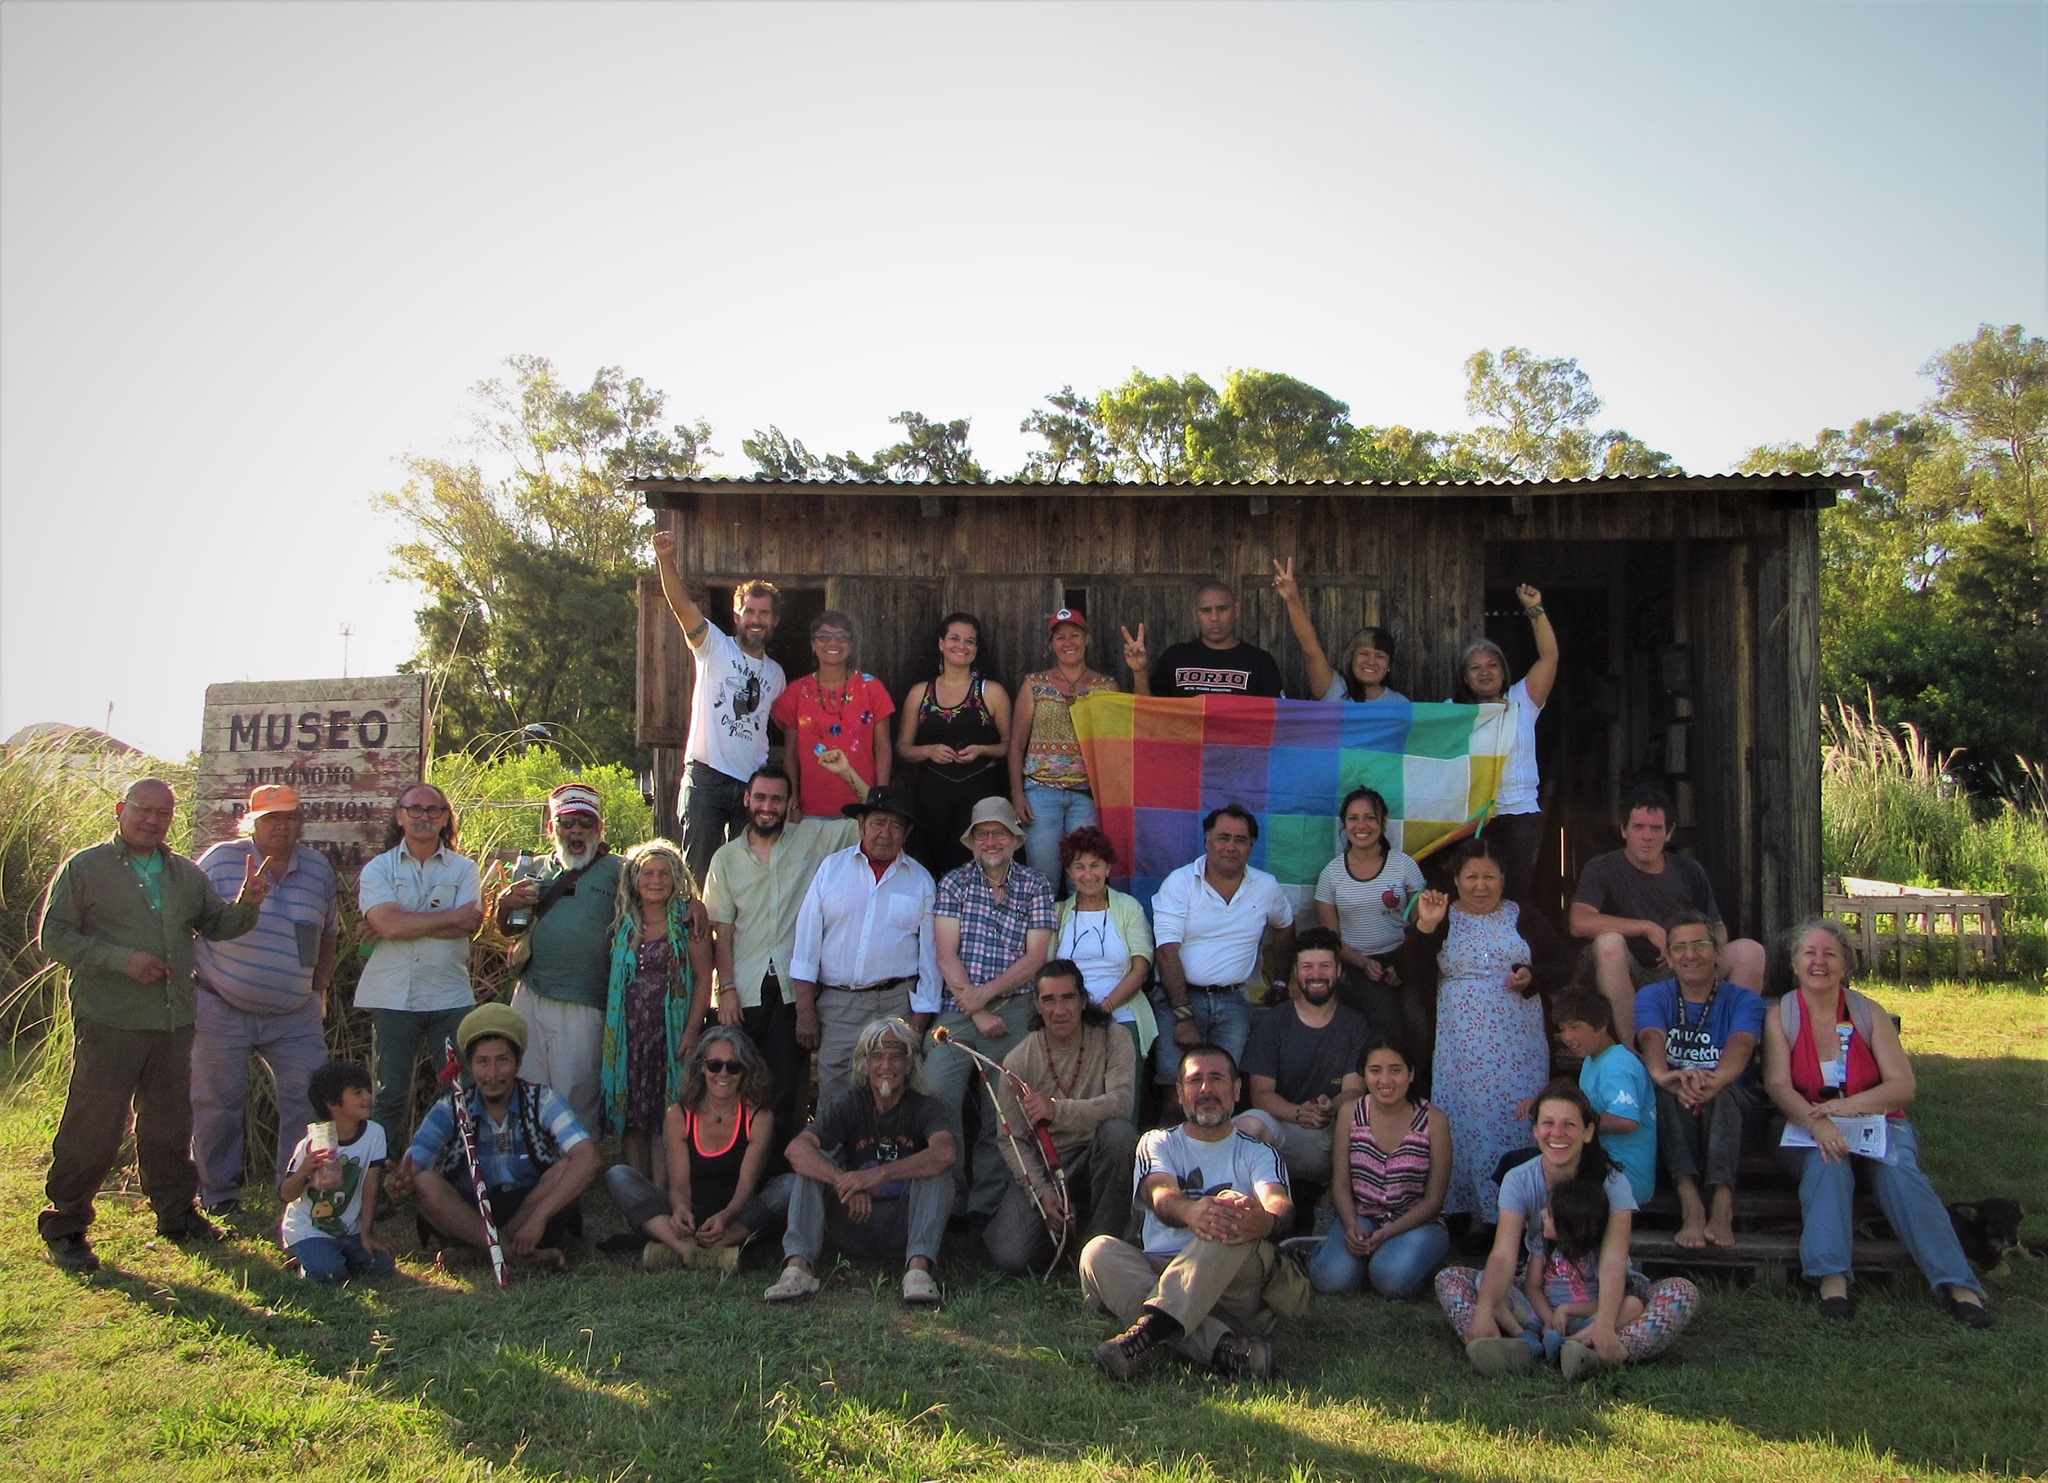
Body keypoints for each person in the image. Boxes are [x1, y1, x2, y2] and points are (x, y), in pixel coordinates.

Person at [37, 778, 269, 1269]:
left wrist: (248, 904)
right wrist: (123, 960)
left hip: (173, 1019)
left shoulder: (183, 873)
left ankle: (176, 1214)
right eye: (144, 810)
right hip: (110, 1019)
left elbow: (216, 925)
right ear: (122, 809)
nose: (153, 820)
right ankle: (67, 1223)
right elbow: (53, 937)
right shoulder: (86, 867)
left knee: (169, 1125)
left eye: (163, 813)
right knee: (94, 1125)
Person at [1762, 919, 1991, 1328]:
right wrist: (1820, 1125)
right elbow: (1778, 1086)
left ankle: (1959, 1284)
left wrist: (1850, 1108)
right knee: (1826, 1164)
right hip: (1805, 1124)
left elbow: (1902, 1086)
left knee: (1899, 1171)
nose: (1819, 962)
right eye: (1809, 954)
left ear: (1845, 964)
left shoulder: (1869, 1013)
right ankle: (1831, 1279)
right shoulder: (1782, 1015)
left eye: (1829, 954)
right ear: (1795, 964)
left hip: (1877, 1123)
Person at [1436, 1082, 1700, 1381]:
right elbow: (1503, 1254)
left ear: (1588, 1132)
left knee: (1681, 1293)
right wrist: (1484, 1308)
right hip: (1540, 1300)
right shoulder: (1519, 1179)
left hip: (1604, 1299)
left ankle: (1601, 1349)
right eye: (1548, 1123)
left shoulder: (1612, 1183)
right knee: (1454, 1279)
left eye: (1569, 1124)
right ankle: (1516, 1343)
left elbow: (1614, 1260)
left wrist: (1605, 1321)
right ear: (1535, 1130)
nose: (1557, 1133)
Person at [1079, 1045, 1295, 1380]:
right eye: (1195, 1081)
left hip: (1232, 1284)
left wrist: (1263, 1220)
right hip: (1164, 1270)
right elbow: (1160, 1194)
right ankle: (1226, 1351)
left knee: (1228, 1212)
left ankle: (1147, 1335)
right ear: (1180, 1094)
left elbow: (1278, 1202)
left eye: (1216, 1079)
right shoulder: (1157, 1142)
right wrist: (1191, 1211)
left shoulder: (1258, 1152)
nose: (1206, 1089)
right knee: (1096, 1252)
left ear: (1237, 1090)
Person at [189, 783, 340, 1216]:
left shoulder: (317, 869)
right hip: (220, 1004)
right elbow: (191, 923)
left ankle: (295, 1193)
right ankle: (218, 1195)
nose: (283, 826)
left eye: (291, 817)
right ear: (252, 822)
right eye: (272, 818)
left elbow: (327, 932)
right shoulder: (220, 861)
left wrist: (319, 988)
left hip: (294, 1014)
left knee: (309, 1101)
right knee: (218, 1103)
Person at [701, 758, 864, 1153]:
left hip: (794, 990)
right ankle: (735, 1170)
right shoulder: (726, 858)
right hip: (743, 990)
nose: (767, 806)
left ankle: (782, 1183)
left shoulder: (813, 839)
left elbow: (870, 822)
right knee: (736, 1085)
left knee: (786, 1091)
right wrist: (726, 990)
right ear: (746, 799)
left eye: (776, 799)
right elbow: (721, 930)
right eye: (760, 797)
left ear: (790, 803)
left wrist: (847, 774)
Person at [1401, 838, 1568, 1222]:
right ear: (1455, 880)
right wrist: (1425, 926)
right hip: (1461, 1045)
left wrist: (1533, 976)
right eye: (1471, 877)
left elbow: (1563, 965)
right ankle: (1470, 1216)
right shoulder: (1441, 916)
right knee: (1464, 1124)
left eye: (1489, 877)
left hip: (1518, 1043)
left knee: (1515, 1121)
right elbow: (1410, 972)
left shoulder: (1523, 915)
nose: (1481, 886)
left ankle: (1519, 1216)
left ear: (1503, 879)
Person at [386, 1003, 600, 1271]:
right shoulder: (452, 1107)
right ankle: (509, 1252)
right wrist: (400, 1184)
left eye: (503, 1060)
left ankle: (480, 1251)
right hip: (469, 1214)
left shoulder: (543, 1100)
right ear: (469, 1066)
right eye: (482, 1062)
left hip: (530, 1210)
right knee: (425, 1183)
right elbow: (412, 1167)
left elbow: (587, 1157)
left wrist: (538, 1219)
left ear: (518, 1063)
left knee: (567, 1167)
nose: (493, 1074)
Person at [763, 1016, 958, 1306]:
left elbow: (946, 1153)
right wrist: (845, 1182)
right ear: (864, 1065)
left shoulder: (926, 1106)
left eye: (895, 1057)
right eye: (877, 1056)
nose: (886, 1066)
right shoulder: (850, 1102)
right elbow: (797, 1150)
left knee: (939, 1173)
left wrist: (874, 1176)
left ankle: (918, 1270)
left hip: (903, 1227)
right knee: (809, 1167)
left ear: (908, 1065)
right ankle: (798, 1268)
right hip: (853, 1221)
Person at [926, 797, 1056, 1220]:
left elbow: (1036, 957)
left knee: (1001, 1113)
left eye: (998, 831)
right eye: (982, 832)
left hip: (1016, 1007)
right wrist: (977, 1007)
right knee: (937, 1096)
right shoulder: (954, 883)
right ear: (972, 841)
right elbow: (946, 953)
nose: (990, 840)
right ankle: (948, 1204)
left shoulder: (1037, 885)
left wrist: (989, 996)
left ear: (1016, 839)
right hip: (958, 1007)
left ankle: (987, 1209)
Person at [1569, 785, 1766, 1045]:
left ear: (1669, 832)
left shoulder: (1688, 870)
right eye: (1638, 827)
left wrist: (1695, 949)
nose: (1647, 836)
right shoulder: (1602, 867)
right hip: (1627, 973)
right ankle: (1636, 1053)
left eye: (1656, 828)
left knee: (1750, 952)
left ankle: (1723, 1050)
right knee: (1609, 944)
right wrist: (1647, 928)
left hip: (1680, 969)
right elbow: (1579, 922)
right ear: (1623, 830)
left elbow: (1717, 927)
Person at [984, 960, 1140, 1274]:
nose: (1059, 1009)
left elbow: (1122, 1105)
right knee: (1010, 1257)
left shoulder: (1114, 1038)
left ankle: (1102, 1250)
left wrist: (1057, 1109)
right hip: (1047, 1162)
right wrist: (1041, 1191)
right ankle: (1063, 1236)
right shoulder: (1018, 1060)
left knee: (1120, 1135)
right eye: (1049, 1000)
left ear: (1083, 1000)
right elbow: (1012, 1140)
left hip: (1098, 1152)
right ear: (1037, 1006)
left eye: (1068, 998)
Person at [788, 784, 941, 1103]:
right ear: (861, 826)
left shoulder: (921, 880)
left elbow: (931, 959)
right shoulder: (831, 869)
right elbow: (806, 944)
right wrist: (805, 1010)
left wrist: (917, 1023)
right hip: (839, 1005)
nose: (885, 833)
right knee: (835, 1096)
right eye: (877, 823)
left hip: (896, 1005)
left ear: (906, 832)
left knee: (891, 1096)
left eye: (895, 825)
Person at [653, 527, 788, 888]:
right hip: (706, 779)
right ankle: (695, 944)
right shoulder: (713, 645)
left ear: (774, 620)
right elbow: (680, 605)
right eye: (750, 611)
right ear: (737, 614)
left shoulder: (776, 674)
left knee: (744, 880)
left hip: (751, 786)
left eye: (764, 613)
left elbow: (785, 725)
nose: (756, 619)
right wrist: (666, 559)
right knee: (698, 878)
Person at [355, 782, 484, 1153]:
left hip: (450, 995)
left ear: (445, 819)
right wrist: (447, 918)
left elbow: (469, 924)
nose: (424, 817)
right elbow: (388, 924)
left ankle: (458, 1168)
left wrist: (399, 924)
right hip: (391, 996)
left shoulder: (464, 868)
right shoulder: (378, 869)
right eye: (415, 809)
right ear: (400, 817)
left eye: (433, 810)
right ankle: (382, 1176)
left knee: (459, 1089)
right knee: (390, 1093)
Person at [606, 1027, 792, 1273]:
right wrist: (681, 1210)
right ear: (702, 1068)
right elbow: (679, 1186)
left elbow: (746, 1188)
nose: (723, 1073)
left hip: (738, 1213)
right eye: (714, 1065)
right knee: (618, 1175)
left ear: (745, 1071)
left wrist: (726, 1217)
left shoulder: (759, 1116)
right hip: (692, 1212)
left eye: (733, 1066)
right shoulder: (679, 1115)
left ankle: (684, 1247)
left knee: (790, 1185)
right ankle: (693, 1251)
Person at [496, 782, 625, 1136]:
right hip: (531, 995)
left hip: (585, 1002)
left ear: (600, 827)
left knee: (575, 1099)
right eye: (567, 823)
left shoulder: (621, 870)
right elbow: (509, 930)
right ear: (552, 828)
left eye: (585, 822)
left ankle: (572, 1180)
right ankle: (531, 1174)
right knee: (524, 1088)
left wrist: (692, 906)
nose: (576, 831)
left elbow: (666, 886)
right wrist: (504, 906)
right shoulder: (534, 868)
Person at [1633, 910, 1766, 1250]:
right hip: (1677, 1108)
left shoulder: (1743, 1000)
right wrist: (1664, 1075)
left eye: (1700, 945)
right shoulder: (1653, 996)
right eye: (1679, 947)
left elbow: (1742, 1043)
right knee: (1664, 1092)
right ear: (1669, 956)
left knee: (1723, 1092)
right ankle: (1690, 1200)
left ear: (1718, 952)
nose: (1690, 955)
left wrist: (1716, 1079)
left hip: (1735, 1110)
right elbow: (1650, 1035)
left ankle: (1722, 1200)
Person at [1150, 805, 1295, 1086]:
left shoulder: (1266, 886)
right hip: (1179, 1001)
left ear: (1251, 846)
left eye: (1240, 840)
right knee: (1175, 1090)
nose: (1231, 846)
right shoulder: (1179, 883)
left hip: (1234, 1004)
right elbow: (1167, 952)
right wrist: (1183, 1016)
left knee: (1224, 1090)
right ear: (1207, 842)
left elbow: (1285, 927)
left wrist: (1279, 983)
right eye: (1223, 837)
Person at [599, 839, 713, 1191]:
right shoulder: (624, 924)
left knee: (666, 1114)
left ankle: (664, 1192)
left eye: (664, 873)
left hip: (670, 1033)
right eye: (647, 873)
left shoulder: (687, 921)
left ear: (676, 877)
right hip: (629, 1034)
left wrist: (692, 1031)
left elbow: (703, 978)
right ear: (635, 879)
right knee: (633, 1115)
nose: (656, 880)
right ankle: (638, 1191)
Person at [1307, 1033, 1452, 1299]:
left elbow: (1434, 1200)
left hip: (1416, 1222)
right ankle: (1328, 1251)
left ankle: (1408, 1256)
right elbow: (1340, 1184)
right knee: (1331, 1280)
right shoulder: (1350, 1113)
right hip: (1364, 1216)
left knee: (1390, 1280)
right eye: (1375, 1070)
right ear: (1364, 1075)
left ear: (1410, 1074)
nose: (1385, 1080)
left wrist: (1388, 1233)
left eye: (1395, 1070)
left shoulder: (1435, 1120)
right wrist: (1351, 1225)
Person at [1234, 929, 1371, 1183]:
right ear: (1296, 971)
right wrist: (1299, 1113)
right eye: (1307, 966)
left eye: (1325, 966)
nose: (1316, 974)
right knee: (1246, 1127)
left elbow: (1354, 1091)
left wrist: (1329, 1108)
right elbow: (1261, 1094)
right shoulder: (1273, 1021)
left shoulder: (1355, 1024)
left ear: (1339, 970)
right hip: (1282, 1131)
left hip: (1329, 1134)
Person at [1453, 583, 1557, 903]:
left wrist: (1535, 609)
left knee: (1515, 895)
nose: (1485, 673)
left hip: (1519, 816)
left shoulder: (1522, 701)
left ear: (1503, 671)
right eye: (1476, 668)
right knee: (1473, 895)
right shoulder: (1451, 714)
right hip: (1471, 818)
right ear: (1466, 677)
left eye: (1492, 665)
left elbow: (1549, 657)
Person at [896, 612, 1011, 878]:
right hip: (930, 796)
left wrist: (982, 750)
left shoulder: (991, 692)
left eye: (969, 641)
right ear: (940, 643)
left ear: (977, 648)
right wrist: (928, 751)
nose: (962, 646)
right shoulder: (920, 693)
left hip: (979, 796)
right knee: (930, 868)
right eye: (954, 638)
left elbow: (1010, 747)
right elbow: (901, 748)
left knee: (971, 869)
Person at [1008, 608, 1119, 884]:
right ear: (1051, 644)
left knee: (1084, 878)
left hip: (1087, 795)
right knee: (1044, 876)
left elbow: (1118, 744)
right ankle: (1044, 929)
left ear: (1087, 639)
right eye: (1060, 637)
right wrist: (1017, 794)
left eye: (1075, 635)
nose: (1068, 642)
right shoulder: (1034, 684)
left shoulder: (1106, 686)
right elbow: (1016, 744)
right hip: (1040, 793)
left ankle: (1079, 928)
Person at [1052, 825, 1156, 1113]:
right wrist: (1076, 1014)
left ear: (1108, 867)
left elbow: (1140, 968)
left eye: (1095, 865)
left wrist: (1104, 1008)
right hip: (1068, 1022)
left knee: (1122, 1108)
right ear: (1069, 871)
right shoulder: (1058, 912)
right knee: (1075, 1108)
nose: (1087, 874)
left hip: (1122, 1017)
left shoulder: (1128, 908)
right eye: (1079, 866)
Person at [1312, 786, 1425, 1037]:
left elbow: (1422, 923)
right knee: (1385, 1017)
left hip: (1403, 959)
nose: (1361, 825)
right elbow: (1332, 939)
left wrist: (1402, 964)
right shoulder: (1331, 874)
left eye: (1370, 817)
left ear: (1383, 822)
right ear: (1344, 824)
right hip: (1356, 965)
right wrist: (1363, 963)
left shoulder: (1404, 865)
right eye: (1353, 818)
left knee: (1418, 1021)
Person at [769, 609, 895, 819]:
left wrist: (879, 801)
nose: (833, 643)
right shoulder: (797, 692)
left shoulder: (872, 688)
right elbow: (790, 755)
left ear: (851, 644)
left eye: (842, 637)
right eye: (824, 636)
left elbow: (883, 747)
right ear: (813, 644)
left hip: (862, 808)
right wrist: (792, 800)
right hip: (811, 812)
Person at [277, 1061, 394, 1283]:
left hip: (348, 1229)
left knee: (383, 1264)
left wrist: (367, 1233)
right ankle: (308, 1258)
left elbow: (371, 1184)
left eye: (368, 1090)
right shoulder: (312, 1143)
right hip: (310, 1228)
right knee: (329, 1274)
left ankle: (322, 1256)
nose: (367, 1097)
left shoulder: (375, 1133)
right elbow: (286, 1194)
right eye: (358, 1093)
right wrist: (305, 1171)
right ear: (332, 1102)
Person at [1551, 989, 1657, 1206]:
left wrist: (1575, 1126)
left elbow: (1626, 1121)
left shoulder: (1617, 1064)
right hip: (1599, 1164)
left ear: (1601, 1025)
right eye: (1562, 1029)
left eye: (1575, 1026)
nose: (1567, 1037)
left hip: (1624, 1177)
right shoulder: (1592, 1060)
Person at [1269, 558, 1407, 703]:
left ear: (1389, 665)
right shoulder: (1334, 689)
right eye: (1364, 653)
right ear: (1351, 657)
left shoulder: (1400, 705)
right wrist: (1292, 599)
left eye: (1380, 656)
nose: (1371, 661)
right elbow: (1310, 647)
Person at [1120, 580, 1284, 698]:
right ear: (1195, 615)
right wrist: (1140, 672)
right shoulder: (1175, 656)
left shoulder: (1260, 661)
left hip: (1237, 747)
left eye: (1222, 609)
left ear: (1236, 610)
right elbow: (1148, 714)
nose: (1214, 617)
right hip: (1185, 745)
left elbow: (1274, 722)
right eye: (1206, 611)